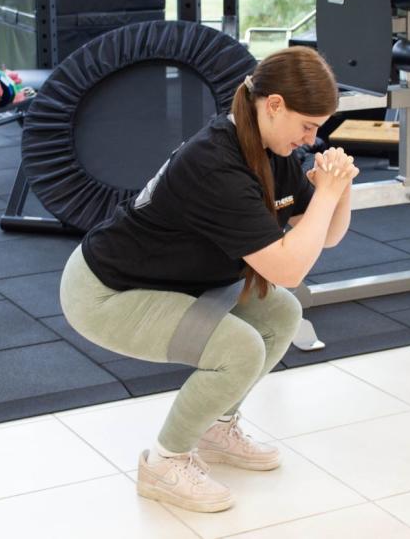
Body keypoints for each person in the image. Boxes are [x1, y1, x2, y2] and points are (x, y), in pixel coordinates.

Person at [59, 47, 358, 513]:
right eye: (308, 125)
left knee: (282, 314)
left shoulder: (272, 147)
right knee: (239, 348)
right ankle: (164, 462)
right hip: (106, 292)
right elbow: (288, 268)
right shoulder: (217, 163)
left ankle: (217, 428)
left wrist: (337, 191)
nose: (311, 139)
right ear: (274, 105)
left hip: (176, 278)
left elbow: (327, 239)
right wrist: (327, 194)